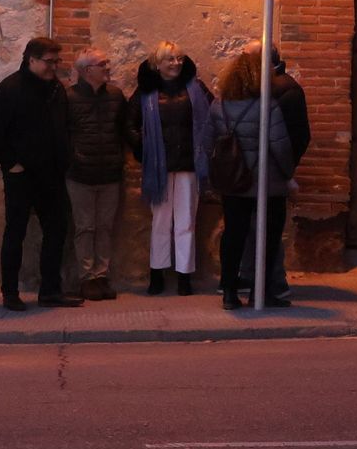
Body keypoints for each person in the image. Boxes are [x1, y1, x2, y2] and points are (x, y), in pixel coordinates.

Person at [0, 37, 84, 311]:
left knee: (57, 230)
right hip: (21, 175)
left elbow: (64, 126)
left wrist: (65, 157)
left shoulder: (56, 90)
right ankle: (10, 293)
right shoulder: (9, 89)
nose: (54, 67)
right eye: (49, 62)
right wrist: (10, 163)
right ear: (32, 60)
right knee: (16, 233)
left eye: (57, 61)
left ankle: (50, 291)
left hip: (52, 174)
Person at [209, 51, 296, 310]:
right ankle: (262, 292)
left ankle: (229, 292)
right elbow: (280, 146)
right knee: (268, 239)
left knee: (233, 236)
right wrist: (289, 175)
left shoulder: (218, 105)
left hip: (233, 182)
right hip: (267, 183)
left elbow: (208, 141)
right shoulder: (268, 106)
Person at [126, 41, 212, 295]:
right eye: (170, 59)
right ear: (157, 64)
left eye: (179, 59)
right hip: (158, 167)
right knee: (160, 222)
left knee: (186, 221)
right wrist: (145, 147)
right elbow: (129, 125)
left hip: (189, 164)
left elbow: (212, 118)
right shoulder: (145, 92)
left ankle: (184, 275)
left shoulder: (196, 88)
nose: (176, 64)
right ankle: (157, 273)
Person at [232, 42, 310, 300]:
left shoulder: (286, 90)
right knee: (253, 228)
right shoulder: (259, 86)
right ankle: (250, 277)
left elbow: (297, 136)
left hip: (270, 173)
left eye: (246, 56)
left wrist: (286, 171)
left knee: (266, 229)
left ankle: (273, 282)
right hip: (252, 171)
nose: (241, 60)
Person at [65, 47, 127, 301]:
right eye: (102, 64)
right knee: (85, 227)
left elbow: (123, 129)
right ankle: (86, 277)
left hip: (110, 171)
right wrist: (73, 158)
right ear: (87, 70)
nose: (107, 67)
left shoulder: (115, 95)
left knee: (104, 227)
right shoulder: (69, 98)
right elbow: (63, 133)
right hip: (80, 173)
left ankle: (101, 275)